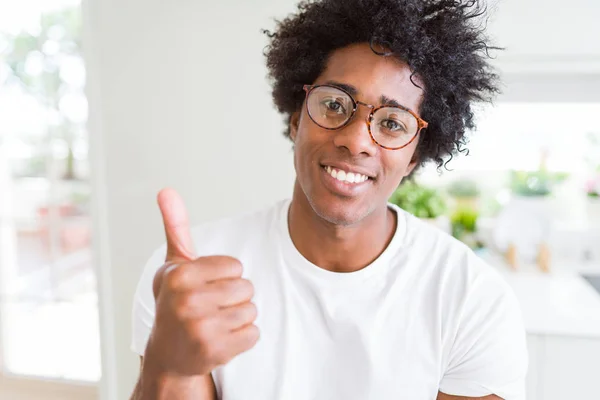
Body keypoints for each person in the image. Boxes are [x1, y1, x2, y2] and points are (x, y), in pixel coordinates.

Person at [129, 0, 528, 399]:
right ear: (296, 117)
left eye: (392, 123)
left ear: (415, 156)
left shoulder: (470, 300)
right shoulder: (191, 278)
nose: (355, 141)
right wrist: (171, 368)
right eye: (335, 104)